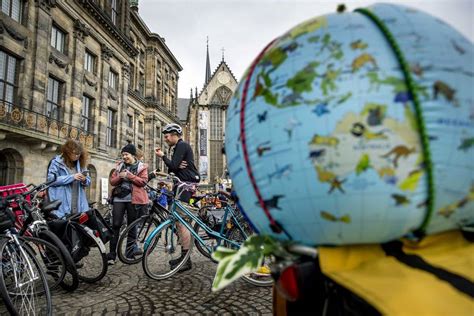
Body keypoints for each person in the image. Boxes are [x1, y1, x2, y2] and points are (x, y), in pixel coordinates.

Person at [154, 123, 200, 272]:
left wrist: (163, 157)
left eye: (167, 136)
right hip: (182, 185)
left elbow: (173, 166)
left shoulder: (182, 145)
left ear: (175, 134)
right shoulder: (178, 148)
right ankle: (184, 256)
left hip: (185, 186)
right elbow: (173, 167)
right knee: (178, 221)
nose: (165, 139)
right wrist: (175, 165)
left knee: (182, 222)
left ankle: (186, 259)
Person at [107, 143, 149, 265]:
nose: (124, 157)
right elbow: (112, 181)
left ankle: (129, 252)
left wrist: (129, 176)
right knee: (115, 225)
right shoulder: (119, 166)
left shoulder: (142, 167)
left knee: (132, 225)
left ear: (133, 155)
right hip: (119, 199)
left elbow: (143, 182)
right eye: (123, 154)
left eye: (127, 154)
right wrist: (120, 177)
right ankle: (111, 255)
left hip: (134, 200)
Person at [47, 139, 91, 218]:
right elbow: (51, 180)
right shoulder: (56, 162)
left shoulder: (81, 164)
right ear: (68, 152)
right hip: (62, 203)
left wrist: (84, 180)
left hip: (78, 203)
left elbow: (88, 182)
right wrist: (72, 177)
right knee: (63, 226)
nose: (77, 156)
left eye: (79, 154)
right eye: (75, 153)